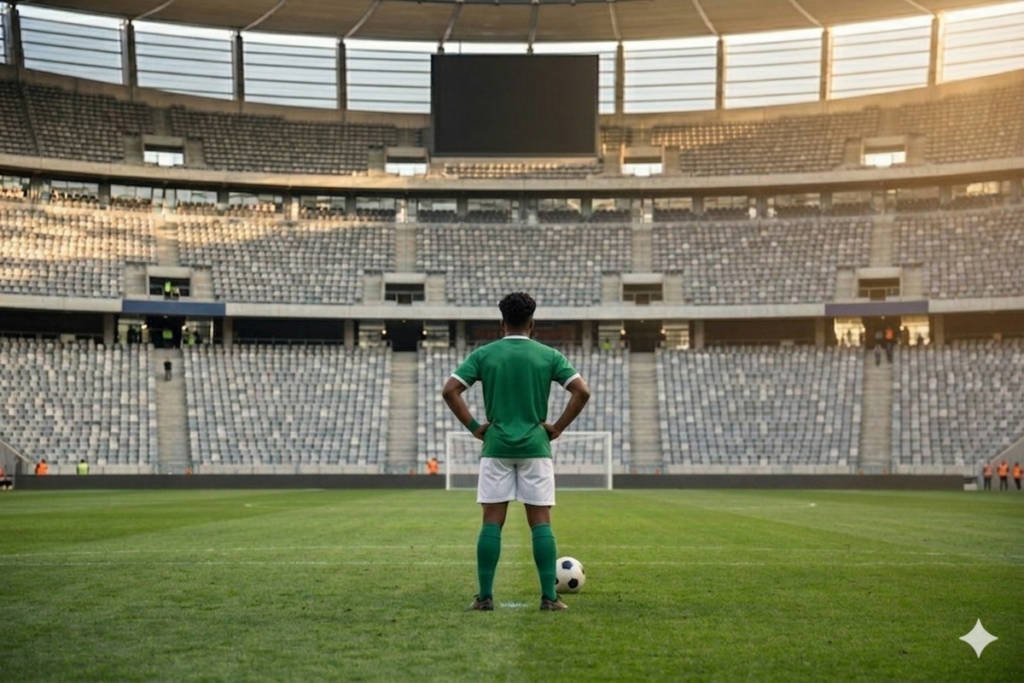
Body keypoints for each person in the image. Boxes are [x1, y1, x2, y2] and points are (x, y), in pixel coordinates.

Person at [442, 292, 591, 612]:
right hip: (535, 447)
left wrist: (473, 427)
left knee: (491, 523)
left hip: (496, 447)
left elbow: (450, 390)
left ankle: (484, 597)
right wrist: (558, 427)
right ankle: (549, 598)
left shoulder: (485, 355)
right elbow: (582, 391)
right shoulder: (548, 355)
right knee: (541, 523)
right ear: (532, 323)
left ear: (502, 323)